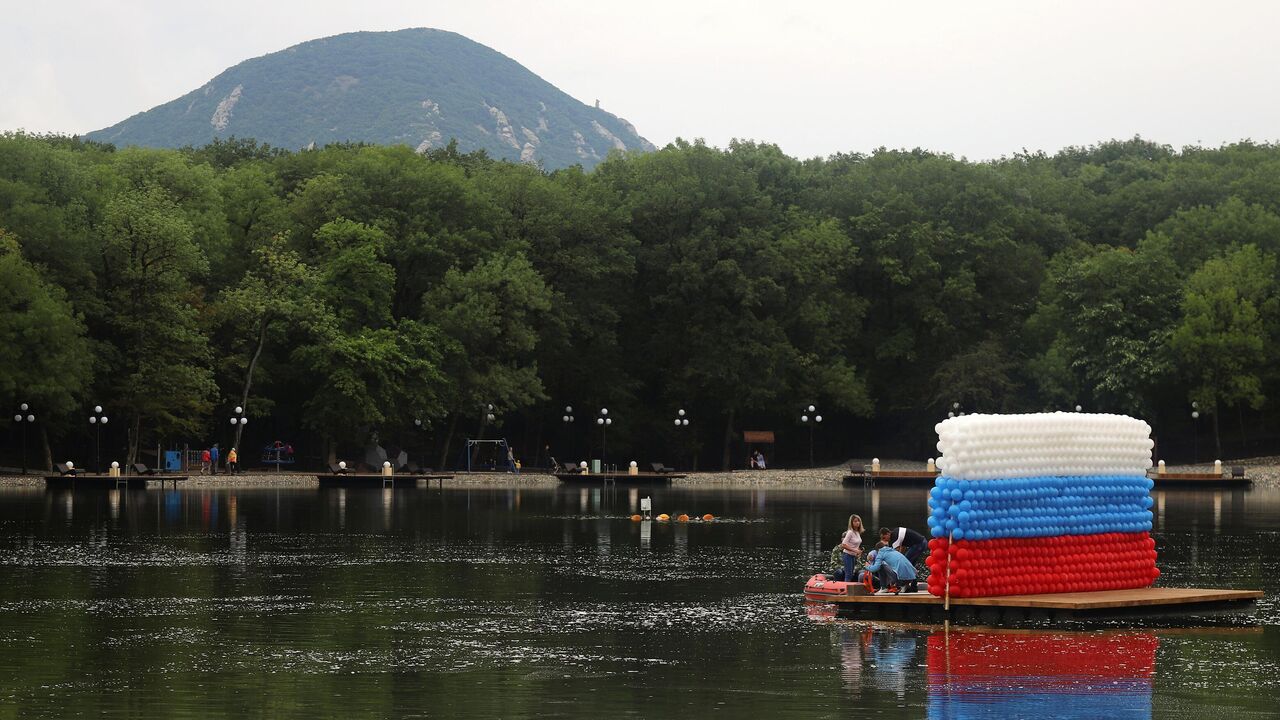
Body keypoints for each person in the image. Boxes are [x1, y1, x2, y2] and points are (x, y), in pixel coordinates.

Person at [840, 514, 864, 585]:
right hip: (847, 555)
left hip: (853, 556)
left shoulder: (857, 532)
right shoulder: (850, 532)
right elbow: (843, 544)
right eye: (855, 521)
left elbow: (855, 544)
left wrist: (858, 551)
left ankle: (849, 589)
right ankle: (845, 591)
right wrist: (855, 550)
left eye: (858, 521)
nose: (857, 523)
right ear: (852, 523)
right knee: (848, 574)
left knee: (851, 574)